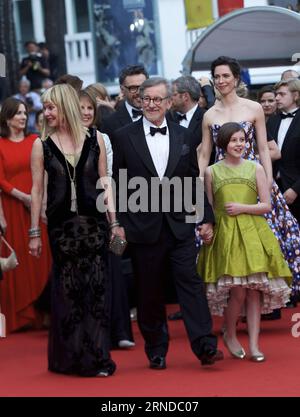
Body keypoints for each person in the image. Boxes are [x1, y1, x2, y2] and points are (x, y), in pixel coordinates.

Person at [113, 77, 223, 369]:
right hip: (141, 227)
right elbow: (116, 184)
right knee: (149, 291)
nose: (151, 104)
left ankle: (205, 346)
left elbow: (191, 180)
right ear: (140, 100)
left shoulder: (184, 135)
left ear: (169, 101)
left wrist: (206, 217)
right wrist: (118, 224)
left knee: (191, 284)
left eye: (157, 99)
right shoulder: (124, 137)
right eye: (146, 98)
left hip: (180, 224)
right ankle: (156, 349)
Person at [29, 84, 120, 376]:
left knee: (97, 290)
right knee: (69, 292)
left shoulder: (96, 140)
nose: (47, 113)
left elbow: (105, 182)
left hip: (95, 226)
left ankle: (97, 356)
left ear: (65, 106)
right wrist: (33, 233)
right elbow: (37, 190)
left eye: (51, 107)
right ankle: (71, 357)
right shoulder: (40, 144)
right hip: (61, 230)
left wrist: (114, 221)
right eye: (45, 108)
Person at [198, 56, 300, 303]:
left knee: (267, 238)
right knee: (228, 240)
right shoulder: (209, 115)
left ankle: (265, 302)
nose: (221, 81)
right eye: (217, 76)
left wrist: (267, 179)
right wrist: (200, 186)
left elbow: (263, 148)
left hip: (253, 178)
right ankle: (237, 303)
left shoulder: (253, 108)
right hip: (223, 182)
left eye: (226, 76)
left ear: (236, 79)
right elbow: (205, 153)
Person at [197, 122, 292, 362]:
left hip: (253, 234)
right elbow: (209, 207)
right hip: (227, 235)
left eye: (242, 139)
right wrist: (207, 228)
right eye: (234, 140)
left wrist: (242, 208)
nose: (239, 144)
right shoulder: (212, 172)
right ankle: (229, 333)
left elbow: (267, 205)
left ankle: (254, 345)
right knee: (237, 292)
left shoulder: (256, 168)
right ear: (224, 144)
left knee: (253, 293)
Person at [79, 89, 134, 349]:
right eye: (81, 108)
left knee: (116, 264)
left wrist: (115, 221)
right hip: (78, 218)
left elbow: (108, 179)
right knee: (89, 274)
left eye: (90, 108)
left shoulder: (102, 139)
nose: (87, 113)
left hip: (111, 212)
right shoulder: (57, 141)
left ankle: (121, 330)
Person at [0, 98, 51, 332]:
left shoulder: (35, 141)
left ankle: (44, 311)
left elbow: (45, 172)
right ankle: (22, 315)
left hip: (37, 206)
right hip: (13, 207)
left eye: (24, 113)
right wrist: (24, 197)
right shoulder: (0, 144)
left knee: (40, 258)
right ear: (7, 117)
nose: (23, 117)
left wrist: (39, 202)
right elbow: (0, 179)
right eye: (18, 113)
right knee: (19, 257)